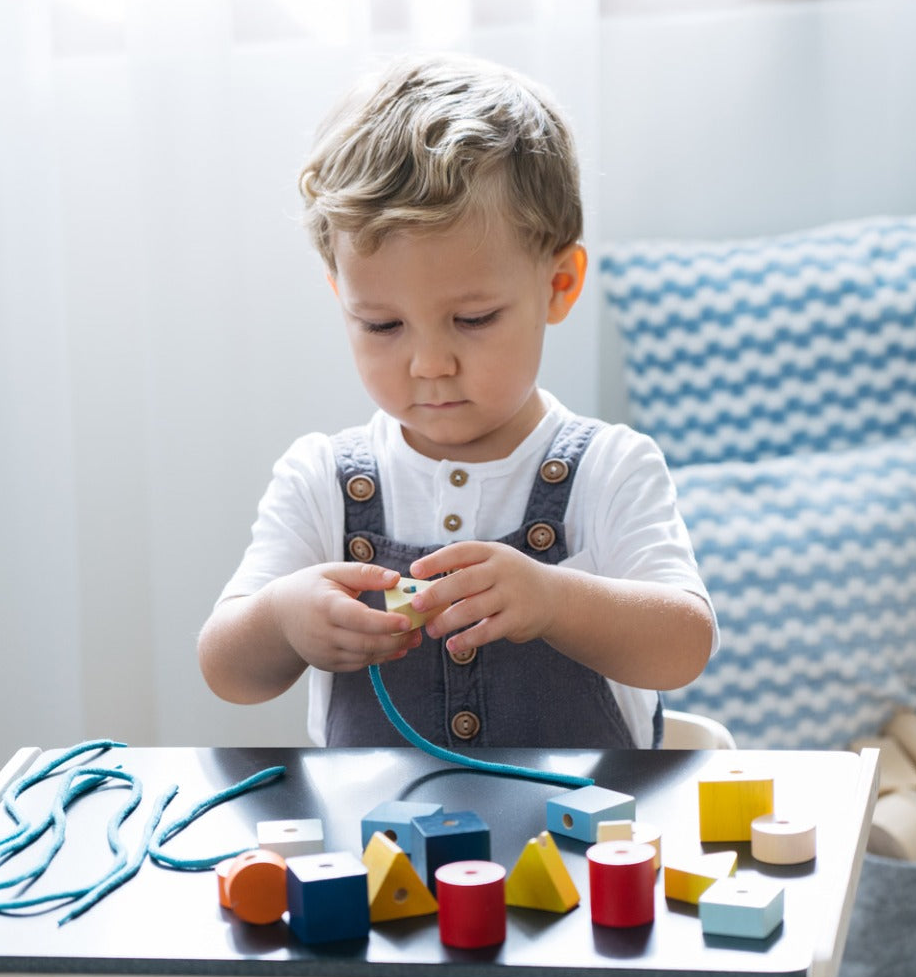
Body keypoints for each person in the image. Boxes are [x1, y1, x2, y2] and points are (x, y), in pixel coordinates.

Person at [198, 53, 716, 750]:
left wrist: (556, 600)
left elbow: (683, 645)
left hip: (574, 851)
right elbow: (227, 671)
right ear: (340, 299)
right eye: (382, 325)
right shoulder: (320, 480)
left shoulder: (611, 469)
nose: (429, 363)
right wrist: (287, 620)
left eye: (473, 320)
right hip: (375, 853)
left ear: (558, 285)